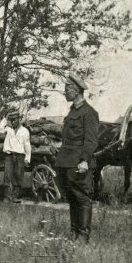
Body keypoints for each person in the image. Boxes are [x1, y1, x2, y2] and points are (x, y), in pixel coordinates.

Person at [53, 75, 99, 240]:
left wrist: (84, 161)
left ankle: (83, 236)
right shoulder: (73, 111)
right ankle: (74, 233)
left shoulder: (89, 113)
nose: (65, 92)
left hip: (78, 163)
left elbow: (91, 141)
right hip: (66, 162)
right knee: (72, 197)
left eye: (67, 89)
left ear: (76, 91)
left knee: (82, 198)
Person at [0, 108, 32, 203]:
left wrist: (27, 158)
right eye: (11, 120)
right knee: (7, 175)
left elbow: (27, 145)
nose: (13, 121)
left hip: (20, 156)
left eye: (15, 119)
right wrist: (5, 118)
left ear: (19, 120)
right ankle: (6, 197)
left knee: (18, 176)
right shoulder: (8, 129)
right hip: (9, 155)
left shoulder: (25, 131)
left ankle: (15, 196)